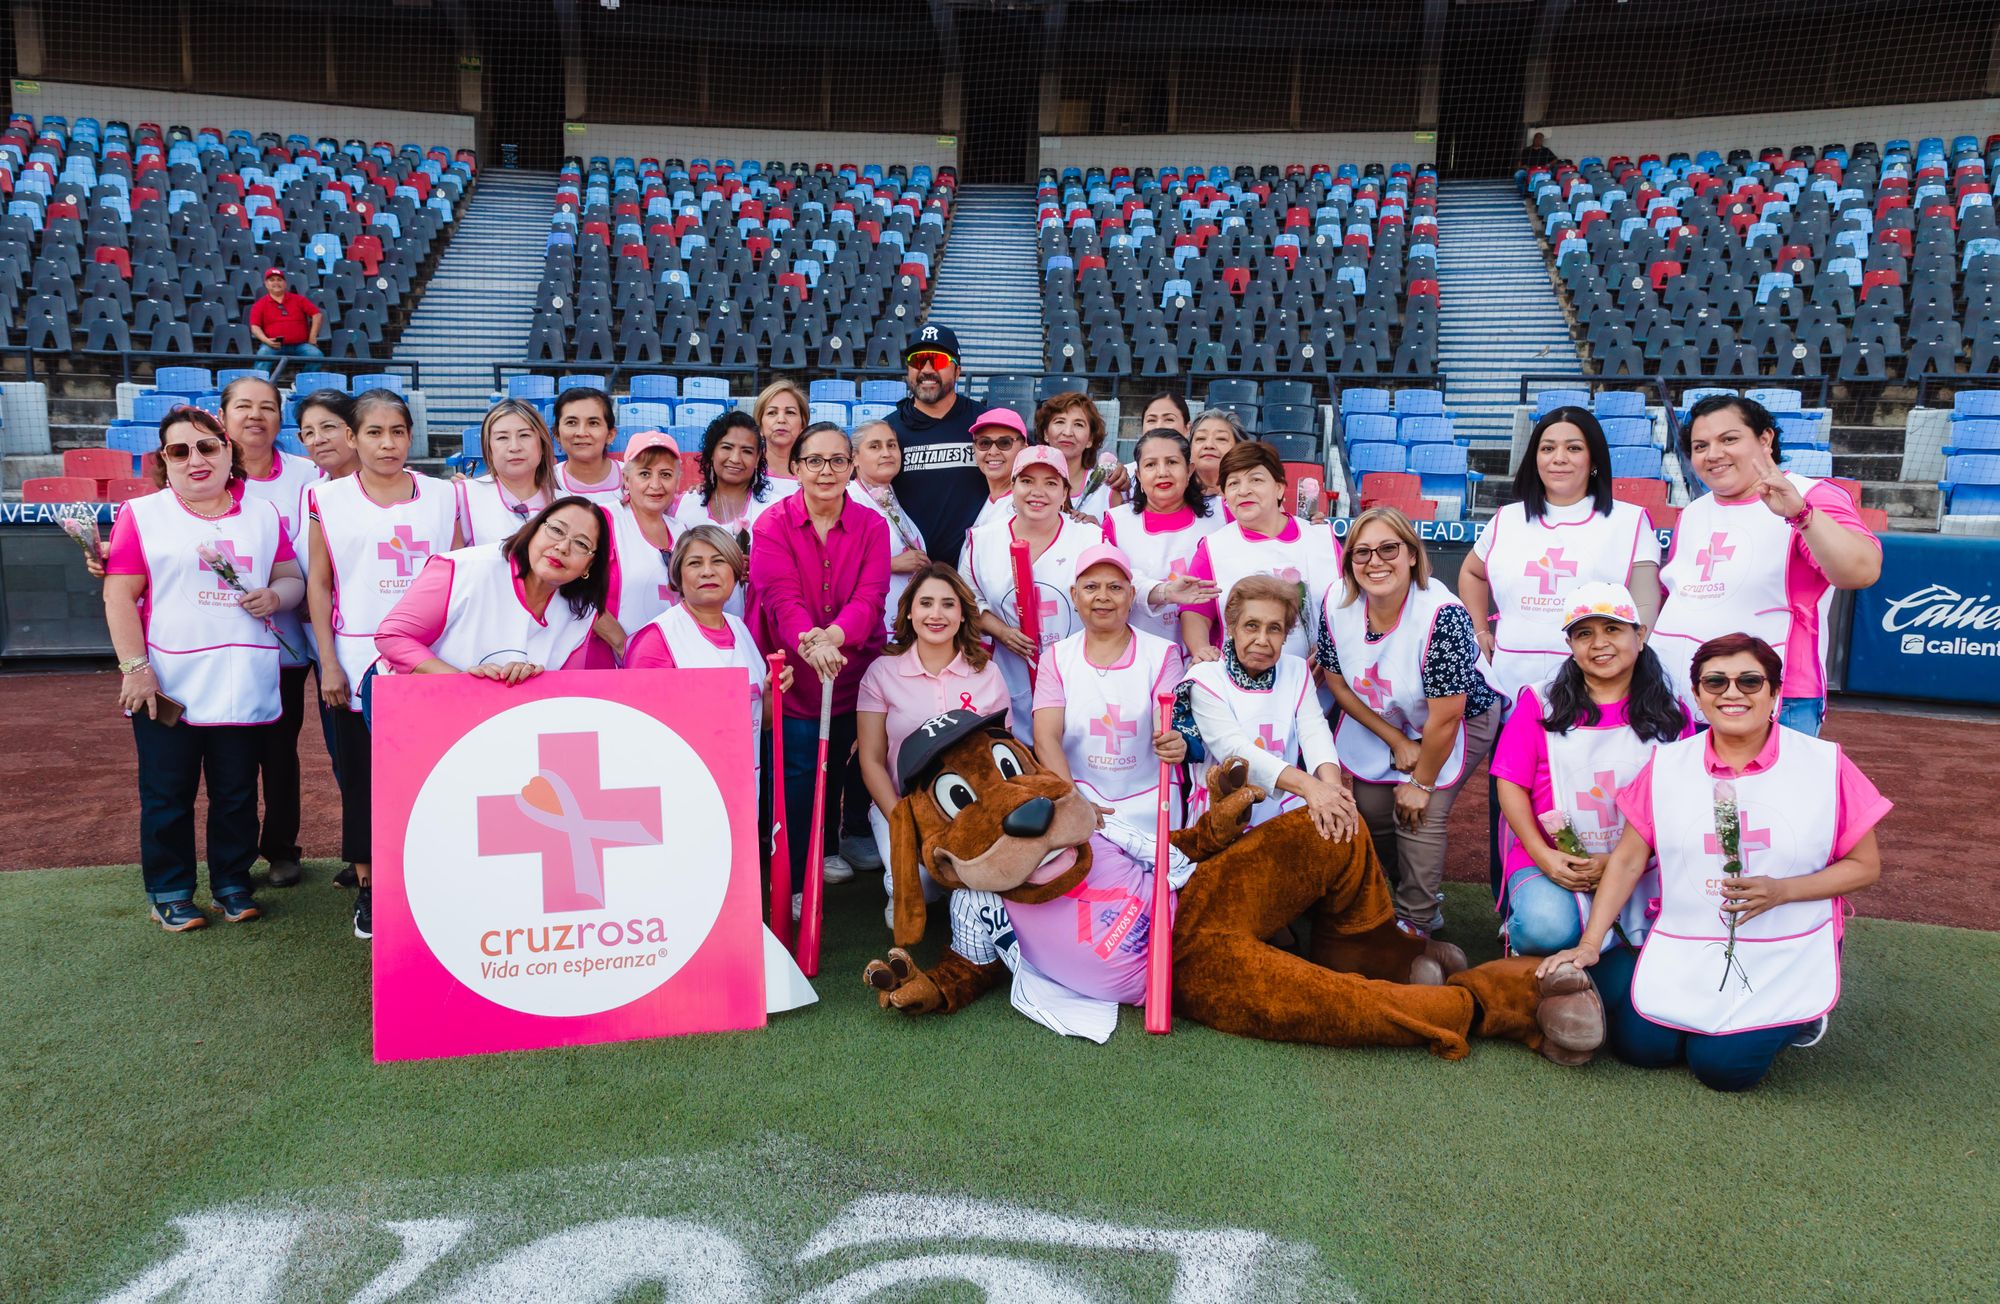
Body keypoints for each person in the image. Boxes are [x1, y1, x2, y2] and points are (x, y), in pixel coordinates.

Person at [1537, 634, 1889, 1092]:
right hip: (1691, 939)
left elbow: (1865, 865)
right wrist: (1589, 943)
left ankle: (1803, 1017)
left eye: (1749, 681)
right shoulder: (1668, 765)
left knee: (1723, 1069)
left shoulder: (1824, 764)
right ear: (1699, 696)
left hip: (1783, 946)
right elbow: (1626, 861)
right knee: (1640, 1050)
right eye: (1716, 682)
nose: (1732, 693)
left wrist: (1783, 890)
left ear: (1775, 693)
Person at [103, 406, 304, 930]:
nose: (196, 459)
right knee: (167, 793)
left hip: (242, 679)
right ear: (163, 461)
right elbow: (119, 595)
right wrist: (135, 668)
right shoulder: (142, 515)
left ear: (228, 451)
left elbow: (291, 578)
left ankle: (232, 882)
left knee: (236, 792)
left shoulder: (262, 515)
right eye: (179, 450)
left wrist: (276, 595)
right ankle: (169, 889)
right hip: (168, 681)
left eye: (207, 446)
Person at [307, 389, 460, 940]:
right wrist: (328, 662)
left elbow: (458, 577)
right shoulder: (327, 499)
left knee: (432, 774)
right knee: (363, 779)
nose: (387, 443)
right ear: (352, 438)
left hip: (428, 657)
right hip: (356, 655)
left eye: (397, 431)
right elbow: (319, 584)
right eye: (374, 432)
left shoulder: (445, 497)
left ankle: (435, 880)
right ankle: (371, 889)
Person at [1319, 507, 1501, 936]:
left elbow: (1447, 714)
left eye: (1388, 548)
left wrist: (1421, 782)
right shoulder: (1335, 601)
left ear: (1412, 555)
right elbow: (1338, 683)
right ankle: (1412, 894)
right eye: (1361, 553)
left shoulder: (1443, 614)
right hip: (1386, 717)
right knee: (1374, 808)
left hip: (1459, 718)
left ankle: (1417, 923)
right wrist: (1397, 741)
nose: (1375, 561)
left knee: (1420, 812)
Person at [1652, 395, 1881, 734]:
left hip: (1774, 698)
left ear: (1764, 440)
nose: (1713, 454)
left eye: (1729, 439)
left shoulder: (1810, 496)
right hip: (1685, 697)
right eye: (1701, 446)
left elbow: (1861, 571)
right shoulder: (1693, 513)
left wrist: (1801, 515)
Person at [1489, 583, 1691, 956]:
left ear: (1640, 635)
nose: (1599, 643)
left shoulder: (1673, 712)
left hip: (1642, 863)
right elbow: (1510, 784)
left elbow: (1682, 802)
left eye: (1612, 629)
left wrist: (1618, 862)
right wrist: (1544, 856)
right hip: (1556, 859)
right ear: (1570, 646)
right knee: (1544, 927)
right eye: (1584, 633)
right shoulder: (1541, 701)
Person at [749, 422, 891, 913]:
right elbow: (779, 598)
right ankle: (786, 871)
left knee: (840, 767)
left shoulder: (872, 526)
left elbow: (871, 597)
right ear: (796, 467)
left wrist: (834, 638)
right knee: (797, 769)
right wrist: (813, 642)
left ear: (852, 467)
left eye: (837, 460)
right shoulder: (771, 524)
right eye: (814, 461)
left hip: (850, 666)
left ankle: (829, 846)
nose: (826, 471)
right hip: (796, 668)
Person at [1457, 407, 1661, 702]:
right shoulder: (1506, 519)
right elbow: (1471, 572)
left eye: (1574, 448)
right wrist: (1479, 631)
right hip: (1508, 680)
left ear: (1593, 459)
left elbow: (1644, 607)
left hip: (1595, 685)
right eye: (1548, 448)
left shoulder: (1630, 521)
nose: (1559, 458)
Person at [855, 562, 1010, 924]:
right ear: (909, 612)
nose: (935, 614)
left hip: (971, 811)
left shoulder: (986, 672)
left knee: (987, 884)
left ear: (962, 614)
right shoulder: (882, 672)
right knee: (917, 887)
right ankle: (910, 880)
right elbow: (871, 760)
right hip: (904, 806)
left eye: (947, 604)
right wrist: (901, 820)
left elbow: (1002, 751)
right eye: (925, 603)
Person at [222, 374, 322, 889]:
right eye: (244, 406)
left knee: (280, 754)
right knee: (233, 758)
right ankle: (233, 861)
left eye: (266, 407)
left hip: (291, 643)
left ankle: (282, 849)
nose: (255, 415)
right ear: (223, 416)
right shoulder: (205, 472)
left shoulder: (307, 474)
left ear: (281, 420)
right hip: (223, 643)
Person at [1174, 575, 1353, 835]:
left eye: (1274, 628)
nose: (1262, 639)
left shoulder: (1295, 670)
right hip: (1222, 817)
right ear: (1232, 627)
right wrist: (1311, 787)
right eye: (1251, 626)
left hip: (1283, 809)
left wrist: (1332, 788)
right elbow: (1234, 751)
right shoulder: (1205, 678)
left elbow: (1314, 731)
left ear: (1285, 635)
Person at [375, 496, 611, 685]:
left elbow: (561, 687)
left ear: (590, 565)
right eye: (556, 530)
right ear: (534, 530)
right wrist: (464, 682)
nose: (562, 547)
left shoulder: (582, 612)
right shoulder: (464, 569)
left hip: (491, 713)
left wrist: (528, 678)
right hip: (410, 694)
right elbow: (392, 637)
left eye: (581, 544)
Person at [1032, 544, 1185, 828]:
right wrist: (1076, 803)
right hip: (1081, 800)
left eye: (1115, 588)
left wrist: (1172, 740)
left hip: (1152, 804)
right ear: (1074, 596)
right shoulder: (1055, 658)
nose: (1103, 597)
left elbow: (1165, 724)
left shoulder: (1163, 654)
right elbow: (1046, 738)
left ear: (1131, 596)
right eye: (1091, 587)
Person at [959, 446, 1105, 737]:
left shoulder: (1091, 538)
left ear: (1065, 492)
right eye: (1027, 481)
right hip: (1010, 675)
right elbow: (968, 601)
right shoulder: (982, 540)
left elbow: (1114, 595)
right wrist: (1001, 631)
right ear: (1012, 487)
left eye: (1051, 483)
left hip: (1077, 675)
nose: (1037, 492)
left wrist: (1163, 592)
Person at [625, 525, 782, 764]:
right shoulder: (657, 639)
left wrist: (770, 695)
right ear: (678, 576)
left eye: (718, 561)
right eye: (695, 563)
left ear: (736, 571)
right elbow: (642, 730)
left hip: (744, 784)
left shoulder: (740, 629)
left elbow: (759, 723)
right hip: (687, 785)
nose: (707, 572)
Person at [1179, 440, 1342, 666]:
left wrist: (1329, 656)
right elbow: (1195, 611)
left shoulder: (1322, 539)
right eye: (1233, 483)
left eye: (1256, 479)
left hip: (1322, 682)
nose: (1244, 490)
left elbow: (1349, 605)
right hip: (1241, 687)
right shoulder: (1213, 548)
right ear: (1224, 496)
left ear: (1279, 488)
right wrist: (1201, 649)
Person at [1101, 428, 1225, 645]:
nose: (1162, 472)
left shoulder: (1222, 514)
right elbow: (1112, 581)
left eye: (1172, 462)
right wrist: (1164, 592)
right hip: (1141, 658)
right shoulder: (1116, 522)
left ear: (1189, 470)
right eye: (1150, 465)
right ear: (1138, 475)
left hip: (1210, 658)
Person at [886, 323, 987, 573]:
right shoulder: (887, 432)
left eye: (938, 360)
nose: (927, 370)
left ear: (958, 370)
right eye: (918, 360)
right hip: (909, 575)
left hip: (973, 572)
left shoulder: (986, 424)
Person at [598, 431, 682, 655]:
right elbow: (576, 592)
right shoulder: (603, 520)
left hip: (670, 661)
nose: (655, 485)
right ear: (627, 479)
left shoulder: (681, 531)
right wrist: (623, 646)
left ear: (677, 480)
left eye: (665, 474)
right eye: (644, 474)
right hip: (611, 662)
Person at [847, 419, 929, 631]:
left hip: (904, 622)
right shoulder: (847, 500)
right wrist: (892, 564)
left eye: (892, 445)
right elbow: (834, 564)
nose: (886, 453)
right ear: (854, 458)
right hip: (870, 624)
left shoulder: (890, 495)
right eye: (875, 446)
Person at [455, 399, 557, 546]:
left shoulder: (565, 503)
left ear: (542, 445)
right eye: (502, 437)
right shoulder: (463, 496)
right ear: (489, 450)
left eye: (524, 435)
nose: (514, 447)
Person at [1036, 391, 1120, 519]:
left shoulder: (1108, 490)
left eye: (1078, 424)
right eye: (1059, 422)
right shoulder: (1028, 485)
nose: (1068, 432)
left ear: (1090, 439)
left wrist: (1099, 532)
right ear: (1045, 433)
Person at [552, 386, 623, 501]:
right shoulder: (545, 482)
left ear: (610, 435)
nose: (581, 433)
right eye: (571, 422)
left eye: (593, 423)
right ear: (557, 434)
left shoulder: (632, 478)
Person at [247, 268, 323, 364]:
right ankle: (259, 379)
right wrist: (266, 341)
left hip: (300, 345)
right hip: (273, 345)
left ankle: (302, 379)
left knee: (316, 356)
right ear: (266, 284)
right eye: (272, 280)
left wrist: (312, 337)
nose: (276, 283)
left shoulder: (299, 300)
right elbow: (255, 327)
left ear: (285, 283)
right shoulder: (259, 305)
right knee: (263, 355)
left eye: (279, 280)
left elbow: (317, 315)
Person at [968, 407, 1028, 530]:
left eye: (1005, 443)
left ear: (1024, 449)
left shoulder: (1027, 507)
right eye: (984, 443)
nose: (993, 452)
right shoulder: (983, 502)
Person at [755, 378, 810, 483]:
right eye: (772, 413)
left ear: (802, 425)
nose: (781, 420)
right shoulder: (748, 468)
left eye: (790, 412)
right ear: (760, 426)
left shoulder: (815, 470)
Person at [1189, 407, 1245, 502]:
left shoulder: (1249, 494)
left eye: (1221, 439)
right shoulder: (1175, 496)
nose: (1209, 445)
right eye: (1201, 438)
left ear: (1238, 447)